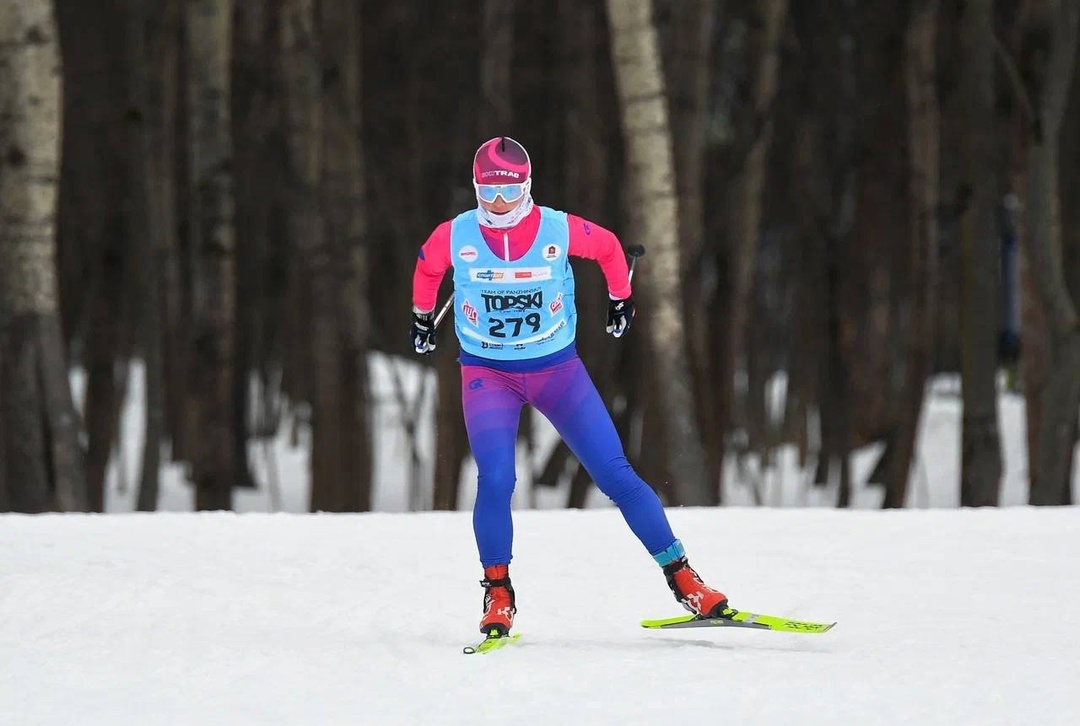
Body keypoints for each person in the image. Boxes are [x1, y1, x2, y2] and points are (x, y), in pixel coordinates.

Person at [410, 136, 728, 638]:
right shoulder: (457, 235)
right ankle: (498, 592)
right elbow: (427, 268)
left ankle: (685, 579)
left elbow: (607, 249)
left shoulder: (556, 229)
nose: (497, 205)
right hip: (486, 374)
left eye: (508, 194)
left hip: (558, 370)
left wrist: (621, 299)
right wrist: (422, 316)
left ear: (526, 187)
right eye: (487, 193)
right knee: (496, 480)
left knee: (616, 474)